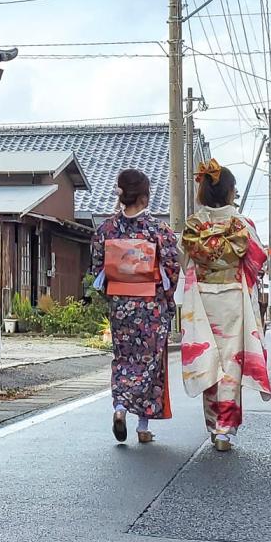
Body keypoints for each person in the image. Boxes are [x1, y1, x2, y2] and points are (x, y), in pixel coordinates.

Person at [180, 160, 271, 452]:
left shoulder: (194, 225)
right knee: (232, 360)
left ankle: (212, 424)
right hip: (232, 295)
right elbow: (257, 259)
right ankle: (225, 429)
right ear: (232, 191)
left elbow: (186, 261)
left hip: (202, 298)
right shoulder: (241, 223)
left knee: (207, 359)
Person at [92, 168, 179, 444]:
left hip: (121, 305)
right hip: (150, 306)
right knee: (151, 364)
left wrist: (116, 294)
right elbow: (171, 269)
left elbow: (97, 270)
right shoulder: (158, 230)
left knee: (123, 360)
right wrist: (167, 298)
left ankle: (120, 409)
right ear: (144, 196)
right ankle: (143, 427)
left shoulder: (105, 229)